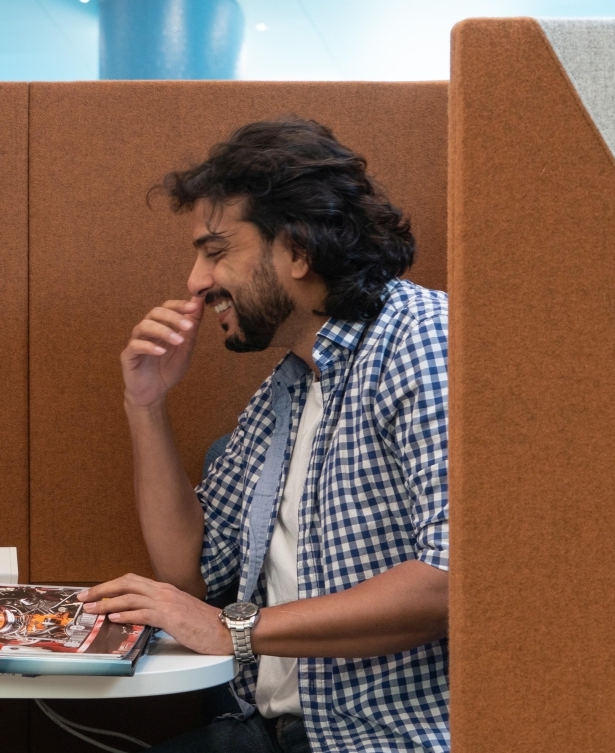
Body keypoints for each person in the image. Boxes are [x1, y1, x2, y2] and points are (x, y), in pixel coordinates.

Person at [76, 118, 450, 753]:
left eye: (216, 252)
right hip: (279, 732)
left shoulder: (422, 342)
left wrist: (236, 629)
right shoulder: (287, 389)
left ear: (298, 251)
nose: (196, 281)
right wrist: (146, 405)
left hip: (386, 740)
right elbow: (189, 574)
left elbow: (450, 579)